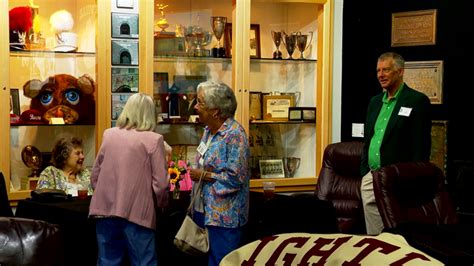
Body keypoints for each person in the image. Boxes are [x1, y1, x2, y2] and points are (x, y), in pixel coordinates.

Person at [88, 93, 169, 266]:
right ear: (150, 115)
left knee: (107, 261)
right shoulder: (154, 140)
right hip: (137, 213)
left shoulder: (109, 134)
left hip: (104, 210)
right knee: (143, 262)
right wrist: (162, 205)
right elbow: (161, 184)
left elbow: (95, 175)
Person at [360, 52, 431, 235]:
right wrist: (364, 172)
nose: (380, 75)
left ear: (400, 72)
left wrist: (414, 176)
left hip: (398, 178)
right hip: (372, 176)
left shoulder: (416, 101)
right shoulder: (374, 102)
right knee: (375, 234)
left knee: (396, 231)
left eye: (386, 70)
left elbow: (421, 144)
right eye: (378, 70)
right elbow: (368, 140)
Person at [187, 81, 250, 266]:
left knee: (223, 262)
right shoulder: (208, 131)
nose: (196, 107)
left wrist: (204, 176)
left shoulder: (235, 135)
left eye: (200, 103)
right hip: (204, 210)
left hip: (225, 217)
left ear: (215, 111)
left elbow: (235, 178)